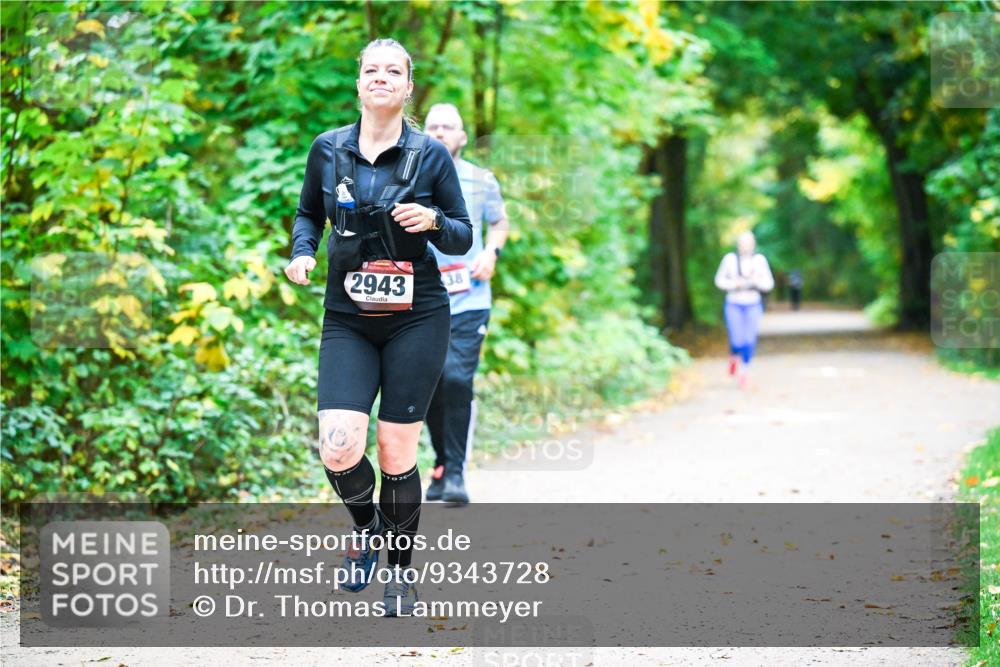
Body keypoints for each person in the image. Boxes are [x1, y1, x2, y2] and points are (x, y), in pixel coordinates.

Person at [284, 39, 472, 617]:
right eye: (372, 70)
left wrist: (434, 219)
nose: (381, 78)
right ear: (359, 82)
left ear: (408, 86)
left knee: (395, 450)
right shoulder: (328, 149)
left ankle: (399, 576)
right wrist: (302, 252)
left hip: (417, 316)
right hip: (347, 316)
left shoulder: (430, 156)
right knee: (338, 446)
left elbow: (462, 234)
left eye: (394, 71)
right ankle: (367, 529)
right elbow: (306, 213)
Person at [422, 103, 509, 505]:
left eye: (448, 127)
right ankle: (441, 465)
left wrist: (491, 252)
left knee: (457, 378)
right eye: (433, 126)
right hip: (421, 298)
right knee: (430, 385)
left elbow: (499, 221)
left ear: (461, 137)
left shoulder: (480, 179)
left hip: (470, 298)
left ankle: (455, 472)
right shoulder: (411, 178)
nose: (440, 132)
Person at [714, 231, 774, 389]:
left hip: (753, 303)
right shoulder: (730, 260)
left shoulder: (759, 261)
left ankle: (744, 371)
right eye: (743, 242)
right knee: (736, 339)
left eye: (748, 243)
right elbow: (719, 280)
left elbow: (769, 284)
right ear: (738, 244)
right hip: (734, 303)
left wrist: (757, 281)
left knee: (749, 339)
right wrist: (734, 284)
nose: (745, 246)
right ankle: (734, 355)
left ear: (753, 244)